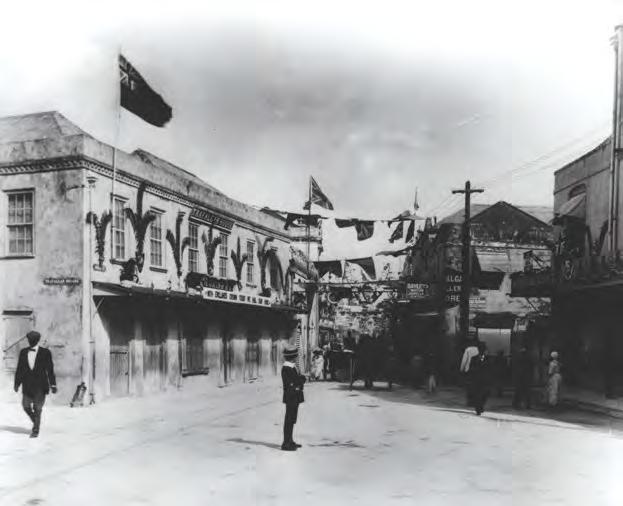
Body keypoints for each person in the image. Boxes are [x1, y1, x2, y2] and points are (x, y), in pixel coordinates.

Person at [14, 330, 57, 438]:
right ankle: (36, 421)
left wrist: (53, 384)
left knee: (38, 408)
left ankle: (35, 430)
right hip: (27, 385)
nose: (30, 341)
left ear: (37, 340)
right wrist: (17, 383)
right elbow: (19, 369)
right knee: (25, 405)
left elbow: (50, 369)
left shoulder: (45, 352)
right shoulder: (23, 352)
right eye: (29, 339)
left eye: (33, 340)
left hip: (40, 385)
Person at [281, 344, 306, 451]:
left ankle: (290, 440)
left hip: (294, 396)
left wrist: (300, 380)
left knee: (292, 419)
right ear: (293, 357)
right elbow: (294, 382)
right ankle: (286, 443)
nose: (296, 358)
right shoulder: (287, 368)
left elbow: (296, 380)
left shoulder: (291, 367)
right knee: (289, 420)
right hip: (291, 397)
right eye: (295, 356)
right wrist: (302, 379)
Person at [469, 342, 490, 416]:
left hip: (485, 379)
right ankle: (478, 408)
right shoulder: (474, 358)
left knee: (485, 394)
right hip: (477, 379)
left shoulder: (487, 358)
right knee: (478, 394)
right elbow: (472, 368)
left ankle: (480, 406)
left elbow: (490, 368)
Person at [460, 341, 480, 406]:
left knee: (469, 386)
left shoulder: (468, 350)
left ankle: (470, 401)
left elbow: (464, 360)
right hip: (478, 371)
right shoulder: (480, 349)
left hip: (469, 370)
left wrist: (461, 369)